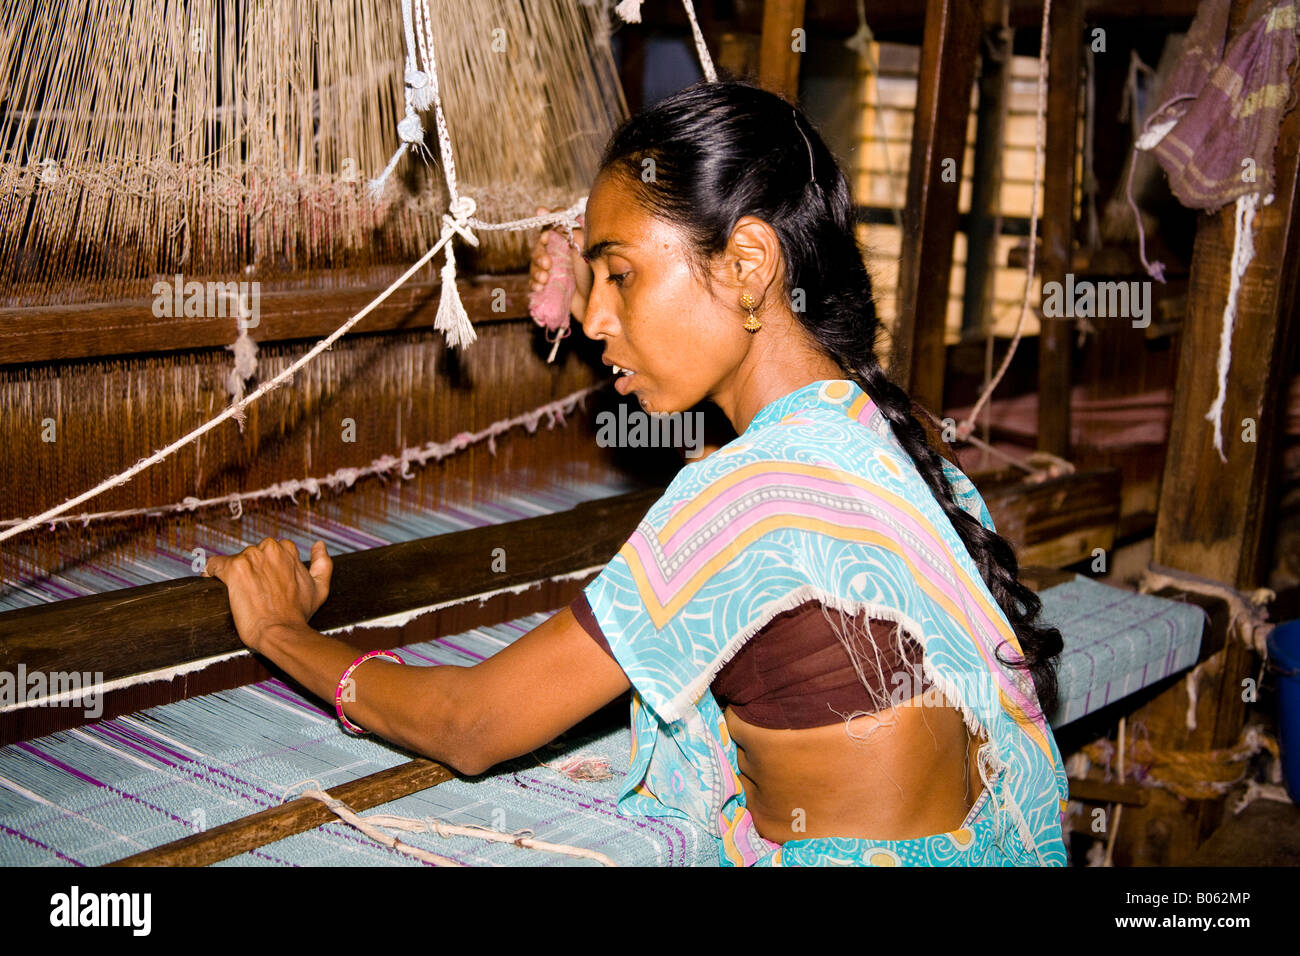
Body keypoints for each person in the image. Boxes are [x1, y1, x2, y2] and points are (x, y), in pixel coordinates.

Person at [204, 79, 1070, 866]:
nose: (592, 319)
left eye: (621, 273)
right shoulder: (890, 432)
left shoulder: (748, 497)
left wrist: (282, 634)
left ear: (748, 266)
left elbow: (471, 727)